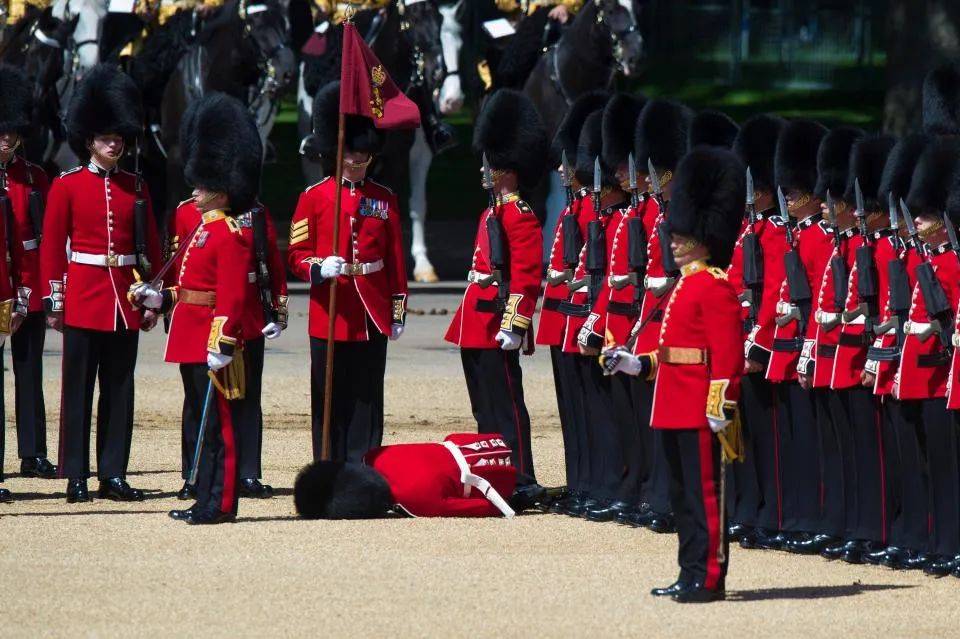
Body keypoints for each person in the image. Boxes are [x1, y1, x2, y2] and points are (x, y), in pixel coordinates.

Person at [604, 146, 745, 603]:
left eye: (684, 235)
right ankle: (688, 572)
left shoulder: (716, 285)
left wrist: (721, 405)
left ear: (703, 237)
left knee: (706, 498)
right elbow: (669, 352)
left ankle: (708, 578)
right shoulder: (684, 284)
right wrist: (633, 362)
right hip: (671, 404)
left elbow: (726, 354)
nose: (675, 240)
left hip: (701, 408)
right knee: (682, 498)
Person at [134, 92, 264, 525]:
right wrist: (160, 297)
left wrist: (225, 341)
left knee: (221, 427)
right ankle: (204, 497)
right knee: (204, 424)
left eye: (203, 186)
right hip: (190, 333)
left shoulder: (231, 234)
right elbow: (189, 287)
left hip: (213, 339)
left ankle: (221, 503)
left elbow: (232, 295)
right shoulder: (201, 229)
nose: (195, 190)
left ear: (221, 190)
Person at [40, 64, 162, 504]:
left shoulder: (137, 187)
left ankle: (113, 473)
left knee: (119, 390)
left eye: (118, 138)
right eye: (106, 138)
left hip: (124, 300)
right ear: (89, 140)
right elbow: (53, 249)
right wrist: (55, 300)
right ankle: (75, 474)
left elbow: (149, 248)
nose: (114, 144)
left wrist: (152, 298)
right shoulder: (67, 186)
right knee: (78, 391)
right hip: (83, 297)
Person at [288, 81, 408, 464]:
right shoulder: (314, 196)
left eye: (363, 159)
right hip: (332, 309)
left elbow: (395, 260)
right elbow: (296, 254)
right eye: (351, 158)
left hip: (371, 310)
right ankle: (329, 464)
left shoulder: (384, 198)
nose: (356, 165)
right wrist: (319, 268)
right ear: (336, 154)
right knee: (329, 394)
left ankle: (365, 466)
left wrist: (397, 309)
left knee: (368, 394)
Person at [444, 88, 545, 509]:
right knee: (484, 406)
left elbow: (526, 278)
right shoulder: (491, 213)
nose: (485, 169)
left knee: (506, 405)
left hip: (495, 323)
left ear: (509, 169)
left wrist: (515, 323)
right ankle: (495, 469)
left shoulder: (519, 215)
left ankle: (521, 474)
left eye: (492, 164)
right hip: (474, 321)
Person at [166, 195, 287, 501]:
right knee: (197, 401)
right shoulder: (186, 212)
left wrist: (278, 308)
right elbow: (179, 262)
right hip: (204, 311)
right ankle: (194, 473)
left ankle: (246, 472)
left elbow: (270, 258)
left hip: (248, 311)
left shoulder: (255, 210)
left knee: (246, 396)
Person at [823, 134, 897, 564]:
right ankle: (857, 524)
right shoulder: (853, 245)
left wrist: (875, 357)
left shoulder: (884, 248)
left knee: (874, 452)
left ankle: (876, 529)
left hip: (870, 360)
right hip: (844, 356)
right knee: (850, 449)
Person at [621, 98, 693, 532]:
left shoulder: (678, 207)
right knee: (653, 413)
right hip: (653, 316)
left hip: (676, 317)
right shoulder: (659, 207)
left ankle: (667, 497)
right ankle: (656, 494)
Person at [535, 90, 607, 515]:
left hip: (585, 320)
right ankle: (581, 482)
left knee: (594, 409)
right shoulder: (572, 210)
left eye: (569, 162)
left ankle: (601, 485)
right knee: (572, 411)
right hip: (563, 319)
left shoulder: (593, 214)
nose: (562, 169)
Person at [892, 137, 960, 576]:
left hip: (941, 374)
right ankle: (938, 541)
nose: (917, 220)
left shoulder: (952, 262)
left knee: (948, 465)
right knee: (930, 463)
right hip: (922, 372)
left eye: (926, 215)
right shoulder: (932, 259)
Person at [763, 119, 829, 551]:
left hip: (810, 346)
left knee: (810, 439)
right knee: (787, 437)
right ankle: (794, 516)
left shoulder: (820, 238)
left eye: (793, 190)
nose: (787, 196)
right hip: (789, 345)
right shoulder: (796, 233)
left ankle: (811, 516)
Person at [726, 113, 786, 549]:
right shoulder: (750, 227)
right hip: (739, 340)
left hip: (761, 347)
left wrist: (757, 344)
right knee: (739, 436)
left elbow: (775, 296)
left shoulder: (779, 232)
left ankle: (770, 513)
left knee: (768, 438)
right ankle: (747, 507)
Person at [0, 65, 54, 504]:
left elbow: (47, 239)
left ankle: (33, 452)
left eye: (11, 133)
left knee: (30, 372)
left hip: (29, 285)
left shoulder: (35, 177)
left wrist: (40, 290)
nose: (5, 139)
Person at [294, 433, 518, 519]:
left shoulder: (415, 501)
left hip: (501, 477)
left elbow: (482, 507)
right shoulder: (372, 457)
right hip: (478, 443)